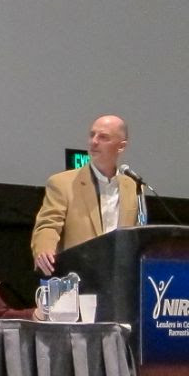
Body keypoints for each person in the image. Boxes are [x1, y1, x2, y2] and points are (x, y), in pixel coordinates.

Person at [31, 114, 139, 276]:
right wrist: (44, 249)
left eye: (103, 137)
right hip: (79, 276)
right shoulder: (62, 182)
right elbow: (48, 224)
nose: (94, 142)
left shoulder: (131, 185)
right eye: (92, 135)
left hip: (119, 278)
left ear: (121, 147)